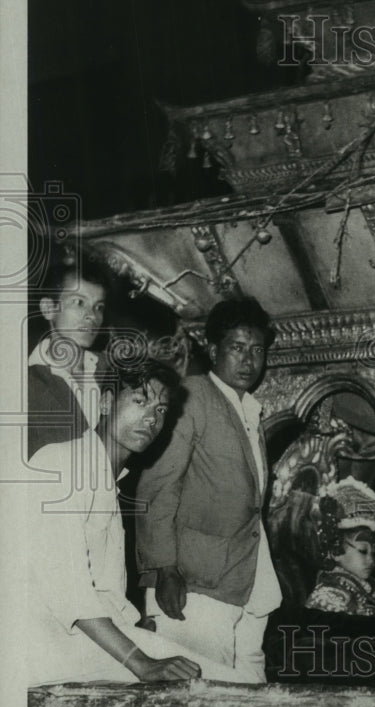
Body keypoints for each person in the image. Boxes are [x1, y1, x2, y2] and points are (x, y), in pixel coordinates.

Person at [26, 356, 244, 685]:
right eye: (140, 401)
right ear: (105, 403)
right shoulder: (60, 463)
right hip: (49, 652)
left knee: (226, 683)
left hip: (84, 650)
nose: (151, 418)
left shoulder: (109, 482)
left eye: (161, 409)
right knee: (224, 686)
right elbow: (68, 592)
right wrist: (141, 662)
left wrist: (136, 628)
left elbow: (103, 593)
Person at [135, 298, 282, 682]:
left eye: (257, 350)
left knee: (249, 694)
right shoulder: (191, 396)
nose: (248, 360)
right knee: (199, 698)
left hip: (246, 583)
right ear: (215, 351)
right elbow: (157, 487)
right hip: (192, 587)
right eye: (237, 348)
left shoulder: (248, 410)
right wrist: (164, 569)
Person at [27, 253, 110, 458]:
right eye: (79, 302)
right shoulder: (22, 383)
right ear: (48, 308)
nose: (92, 316)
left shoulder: (111, 368)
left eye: (99, 307)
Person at [305, 477, 375, 617]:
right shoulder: (328, 596)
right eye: (363, 551)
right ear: (336, 552)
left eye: (374, 553)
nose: (371, 560)